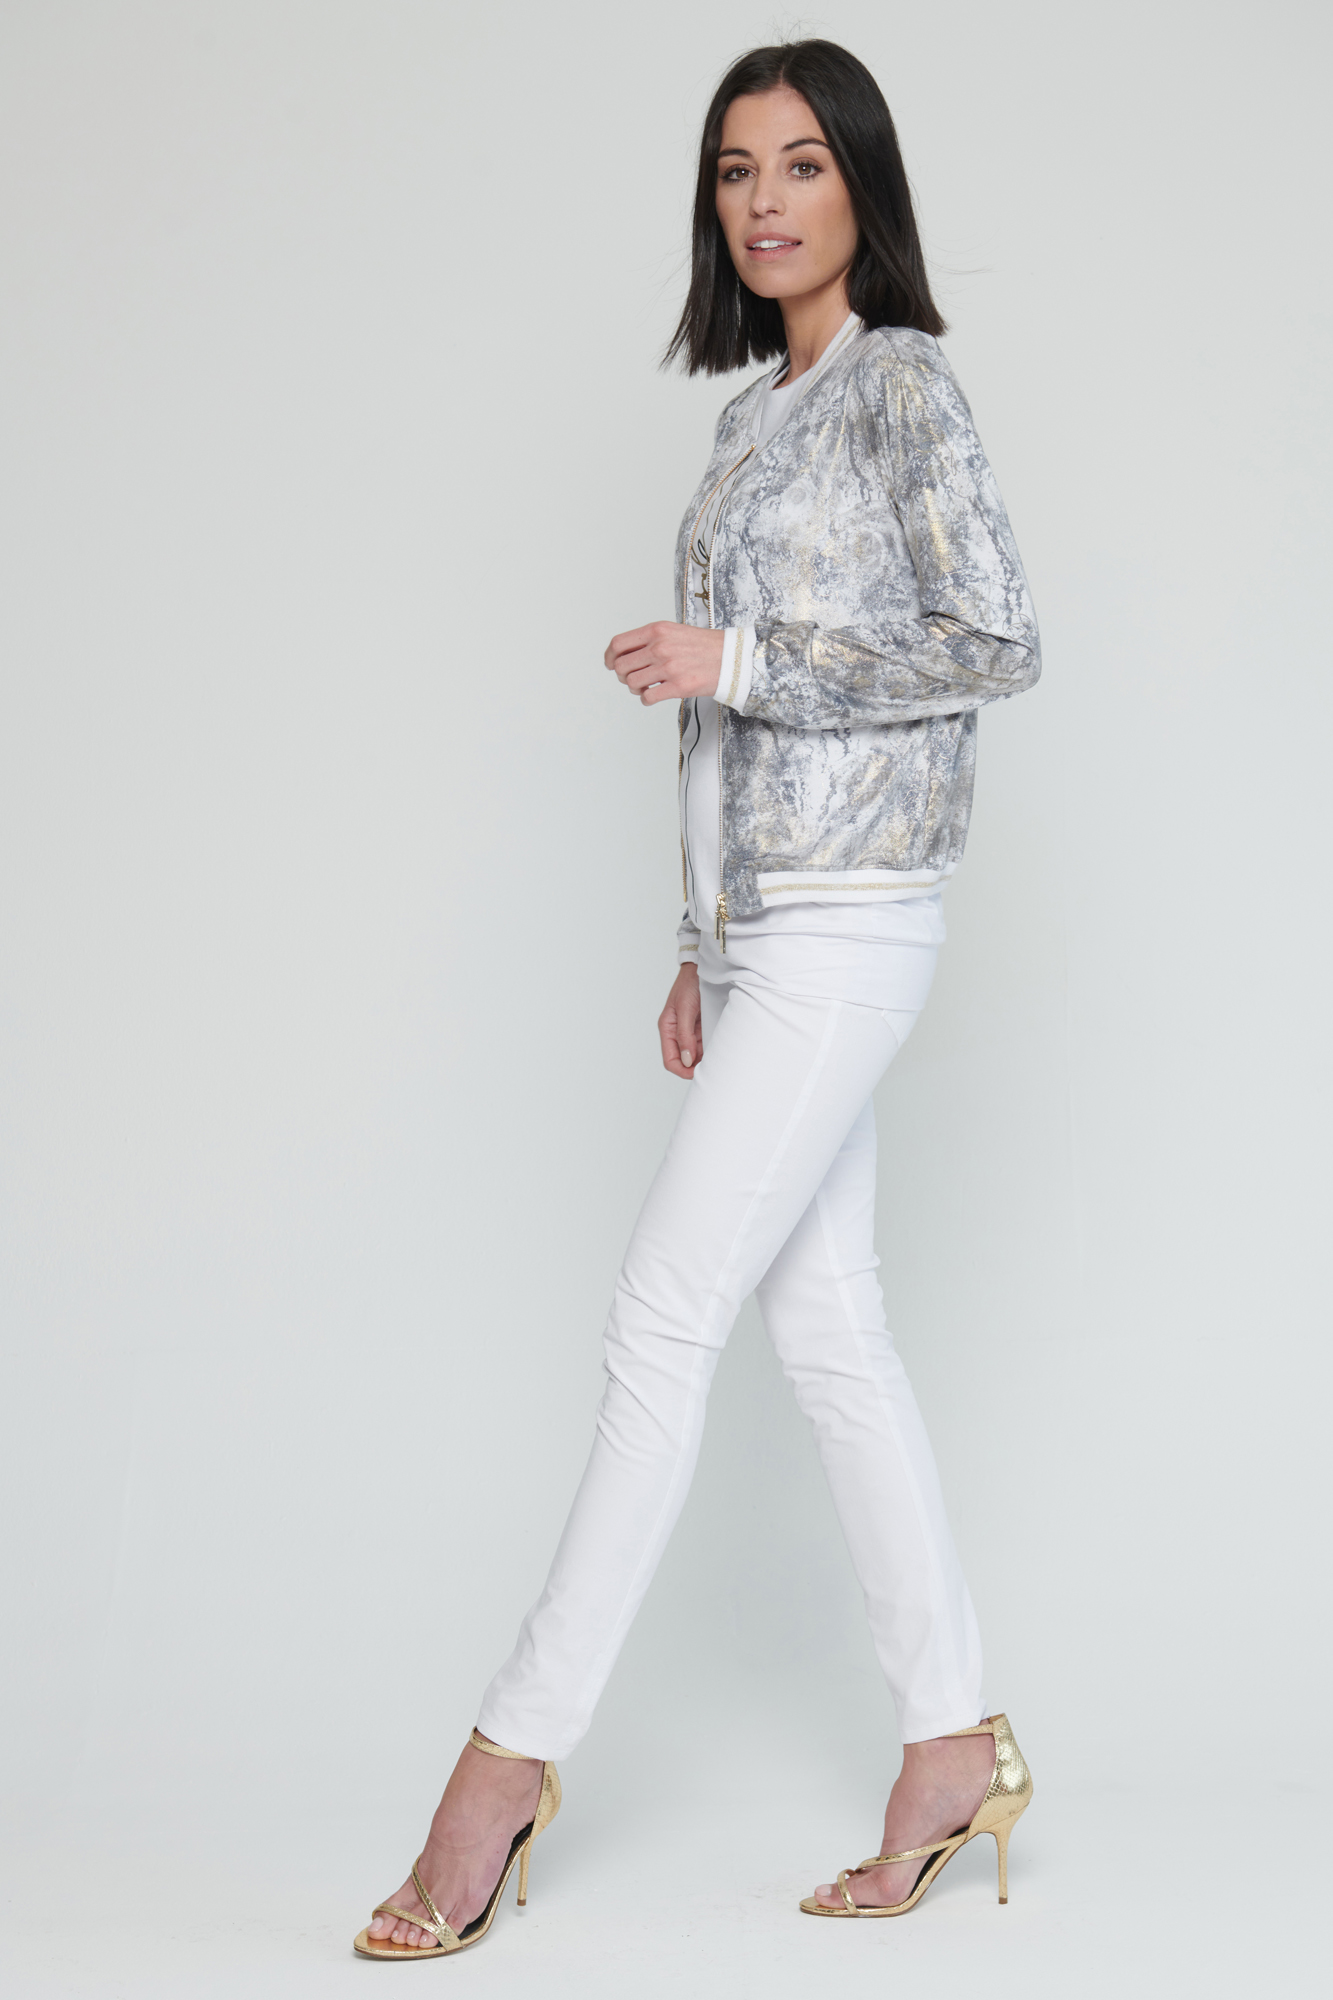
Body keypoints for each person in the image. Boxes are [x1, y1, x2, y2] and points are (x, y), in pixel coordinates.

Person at [355, 37, 1038, 1961]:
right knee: (826, 1329)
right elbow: (709, 734)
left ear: (860, 186)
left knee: (662, 1317)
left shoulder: (902, 384)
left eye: (801, 164)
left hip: (859, 911)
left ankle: (504, 1761)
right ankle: (949, 1741)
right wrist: (695, 937)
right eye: (736, 169)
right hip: (767, 930)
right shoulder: (750, 419)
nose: (763, 201)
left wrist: (736, 653)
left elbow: (993, 638)